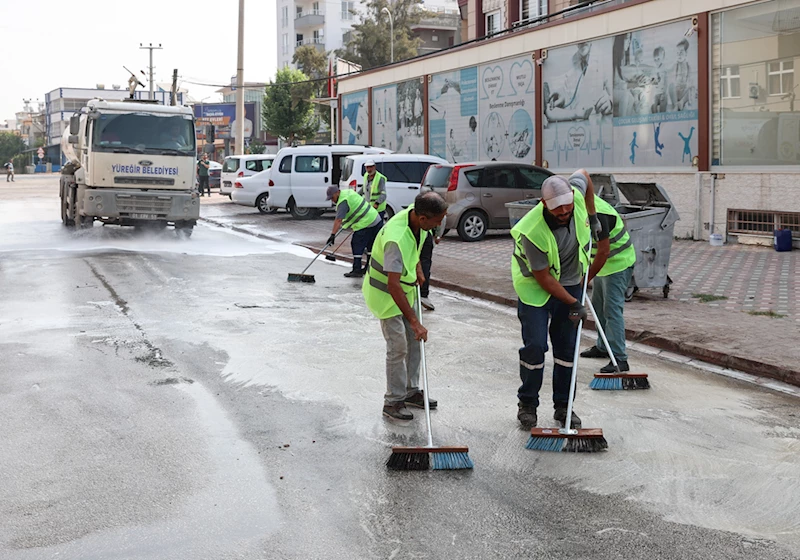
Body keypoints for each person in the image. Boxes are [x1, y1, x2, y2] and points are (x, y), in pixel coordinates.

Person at [510, 170, 606, 430]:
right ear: (544, 204)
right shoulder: (531, 230)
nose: (565, 214)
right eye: (558, 212)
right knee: (535, 347)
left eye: (568, 208)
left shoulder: (572, 195)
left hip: (571, 282)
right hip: (536, 289)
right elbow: (544, 278)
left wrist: (593, 215)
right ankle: (527, 404)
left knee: (567, 349)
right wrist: (574, 303)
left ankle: (564, 406)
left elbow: (584, 175)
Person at [362, 192, 448, 420]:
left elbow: (415, 247)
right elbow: (392, 285)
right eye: (437, 221)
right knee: (398, 347)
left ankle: (411, 391)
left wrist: (418, 267)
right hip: (386, 294)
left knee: (414, 341)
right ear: (422, 218)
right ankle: (393, 401)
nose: (439, 225)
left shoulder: (416, 217)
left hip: (405, 287)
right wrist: (414, 321)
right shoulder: (395, 239)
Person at [580, 192, 636, 373]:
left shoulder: (599, 214)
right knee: (598, 308)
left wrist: (586, 278)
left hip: (618, 263)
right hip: (602, 266)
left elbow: (603, 251)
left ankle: (619, 358)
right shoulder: (580, 206)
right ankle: (603, 347)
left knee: (612, 310)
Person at [326, 184, 384, 278]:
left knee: (356, 243)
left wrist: (332, 235)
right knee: (370, 245)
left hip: (367, 222)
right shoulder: (348, 192)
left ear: (337, 193)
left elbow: (338, 220)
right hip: (375, 218)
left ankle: (357, 270)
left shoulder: (342, 202)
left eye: (332, 197)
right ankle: (368, 268)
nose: (332, 200)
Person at [419, 213, 445, 311]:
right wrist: (438, 236)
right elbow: (442, 220)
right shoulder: (438, 206)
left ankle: (416, 294)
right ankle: (423, 295)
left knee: (416, 263)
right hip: (425, 235)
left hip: (417, 233)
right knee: (424, 263)